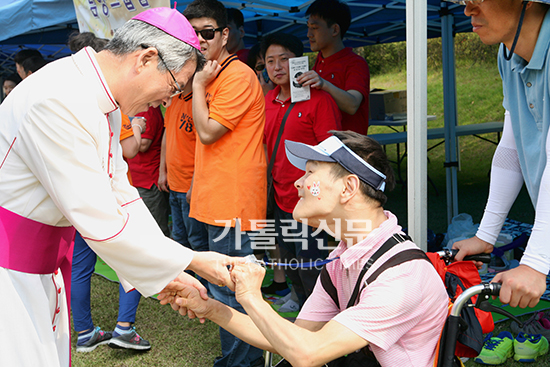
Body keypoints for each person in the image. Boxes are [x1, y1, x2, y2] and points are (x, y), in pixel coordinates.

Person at [0, 8, 240, 366]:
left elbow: (121, 196)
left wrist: (171, 270)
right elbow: (100, 220)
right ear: (146, 59)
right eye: (174, 86)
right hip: (12, 269)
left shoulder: (102, 98)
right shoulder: (58, 98)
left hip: (43, 262)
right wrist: (193, 260)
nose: (169, 100)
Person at [162, 131, 449, 367]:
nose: (298, 182)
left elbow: (307, 353)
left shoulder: (401, 276)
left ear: (348, 188)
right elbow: (295, 337)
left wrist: (251, 297)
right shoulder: (347, 257)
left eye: (310, 172)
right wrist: (210, 308)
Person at [449, 0, 550, 309]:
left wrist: (535, 261)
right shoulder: (508, 56)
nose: (467, 11)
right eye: (462, 2)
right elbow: (512, 145)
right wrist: (486, 234)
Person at [182, 0, 267, 365]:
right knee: (221, 286)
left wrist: (199, 85)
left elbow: (207, 132)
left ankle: (241, 362)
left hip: (234, 202)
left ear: (225, 34)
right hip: (210, 197)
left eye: (208, 32)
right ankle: (234, 359)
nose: (199, 40)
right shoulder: (210, 73)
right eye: (193, 33)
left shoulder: (236, 76)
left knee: (238, 291)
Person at [261, 32, 342, 309]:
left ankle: (322, 323)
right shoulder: (267, 101)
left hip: (310, 200)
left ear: (299, 62)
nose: (277, 67)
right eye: (270, 61)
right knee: (290, 262)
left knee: (312, 266)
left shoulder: (319, 101)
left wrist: (316, 193)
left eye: (284, 59)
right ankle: (304, 312)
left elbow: (332, 154)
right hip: (280, 197)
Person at [296, 0, 370, 135]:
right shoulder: (318, 61)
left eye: (314, 27)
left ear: (335, 29)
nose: (309, 34)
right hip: (323, 146)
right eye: (308, 27)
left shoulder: (355, 63)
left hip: (350, 148)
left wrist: (324, 84)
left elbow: (352, 104)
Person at [162, 81, 209, 253]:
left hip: (191, 186)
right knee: (179, 239)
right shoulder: (174, 101)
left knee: (197, 241)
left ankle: (204, 281)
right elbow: (167, 136)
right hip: (174, 184)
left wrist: (194, 185)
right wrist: (162, 171)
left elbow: (203, 148)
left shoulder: (199, 104)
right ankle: (185, 280)